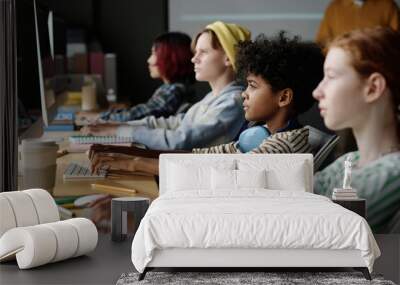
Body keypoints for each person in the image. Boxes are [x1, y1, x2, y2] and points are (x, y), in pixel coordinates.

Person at [88, 32, 325, 175]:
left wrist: (135, 164)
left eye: (252, 86)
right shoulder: (259, 135)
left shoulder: (283, 146)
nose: (244, 94)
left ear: (283, 97)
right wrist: (128, 157)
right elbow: (205, 156)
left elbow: (215, 172)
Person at [81, 21, 250, 151]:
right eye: (195, 52)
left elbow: (180, 140)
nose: (194, 59)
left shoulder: (233, 102)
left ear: (229, 57)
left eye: (203, 52)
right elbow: (175, 123)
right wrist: (121, 127)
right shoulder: (214, 97)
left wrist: (122, 131)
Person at [313, 27, 400, 233]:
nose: (317, 92)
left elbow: (324, 231)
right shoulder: (347, 162)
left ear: (372, 88)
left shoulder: (394, 173)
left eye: (331, 76)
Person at [78, 32, 195, 123]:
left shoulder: (173, 90)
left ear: (170, 58)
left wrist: (98, 117)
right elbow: (145, 110)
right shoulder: (176, 88)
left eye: (154, 54)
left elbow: (141, 115)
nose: (149, 60)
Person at [316, 0, 400, 47]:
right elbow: (323, 41)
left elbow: (396, 40)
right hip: (343, 65)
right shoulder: (334, 7)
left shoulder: (388, 5)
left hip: (379, 65)